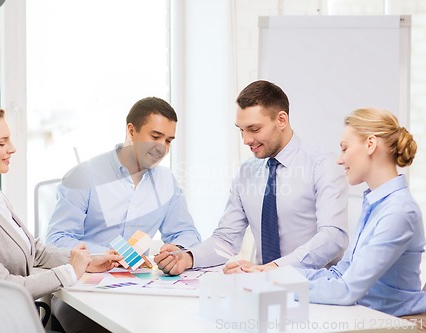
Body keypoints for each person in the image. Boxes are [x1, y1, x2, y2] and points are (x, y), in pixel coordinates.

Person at [0, 103, 121, 333]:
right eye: (2, 143)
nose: (12, 149)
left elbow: (35, 250)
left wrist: (87, 261)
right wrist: (69, 271)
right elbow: (1, 285)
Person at [155, 80, 349, 275]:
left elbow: (333, 238)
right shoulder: (247, 172)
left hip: (315, 289)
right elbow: (226, 240)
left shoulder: (323, 165)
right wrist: (187, 258)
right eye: (241, 130)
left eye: (254, 129)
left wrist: (274, 269)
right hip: (261, 285)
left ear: (281, 120)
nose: (246, 140)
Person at [294, 108, 425, 317]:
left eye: (344, 149)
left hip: (402, 324)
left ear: (370, 145)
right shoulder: (375, 204)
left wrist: (282, 286)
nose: (339, 159)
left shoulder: (399, 212)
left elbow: (347, 290)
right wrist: (280, 275)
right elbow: (341, 273)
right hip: (373, 318)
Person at [46, 97, 201, 253]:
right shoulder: (84, 176)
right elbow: (57, 240)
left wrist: (178, 250)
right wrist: (103, 254)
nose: (162, 148)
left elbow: (187, 234)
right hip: (89, 273)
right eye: (155, 137)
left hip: (139, 276)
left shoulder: (167, 181)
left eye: (168, 141)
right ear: (132, 131)